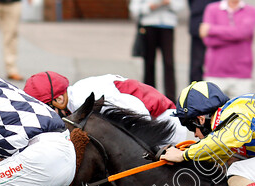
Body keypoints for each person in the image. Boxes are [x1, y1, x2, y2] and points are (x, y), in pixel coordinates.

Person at [24, 71, 195, 145]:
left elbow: (139, 113)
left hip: (164, 123)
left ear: (59, 99)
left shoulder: (82, 100)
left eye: (46, 109)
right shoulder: (75, 97)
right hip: (155, 118)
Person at [200, 0, 255, 97]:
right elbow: (208, 41)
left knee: (240, 111)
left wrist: (211, 29)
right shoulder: (212, 9)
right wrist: (238, 37)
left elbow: (243, 32)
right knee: (213, 111)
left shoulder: (251, 11)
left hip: (242, 73)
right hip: (215, 72)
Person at [129, 0, 184, 102]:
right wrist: (150, 6)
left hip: (167, 26)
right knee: (149, 63)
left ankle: (171, 99)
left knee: (169, 63)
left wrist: (169, 3)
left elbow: (180, 6)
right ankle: (149, 97)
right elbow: (134, 9)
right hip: (149, 25)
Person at [187, 0, 214, 83]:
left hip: (216, 25)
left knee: (216, 63)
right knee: (196, 64)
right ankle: (195, 91)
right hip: (197, 23)